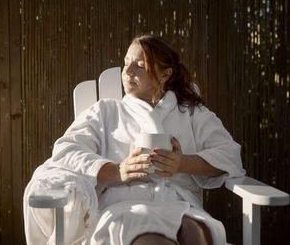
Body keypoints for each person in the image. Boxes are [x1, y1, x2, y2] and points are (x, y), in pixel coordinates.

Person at [24, 34, 245, 245]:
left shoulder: (192, 113)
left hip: (182, 204)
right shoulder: (106, 111)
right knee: (151, 240)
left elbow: (229, 154)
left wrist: (181, 163)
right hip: (125, 207)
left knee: (195, 233)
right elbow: (67, 150)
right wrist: (116, 171)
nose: (127, 71)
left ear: (165, 74)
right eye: (126, 62)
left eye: (139, 65)